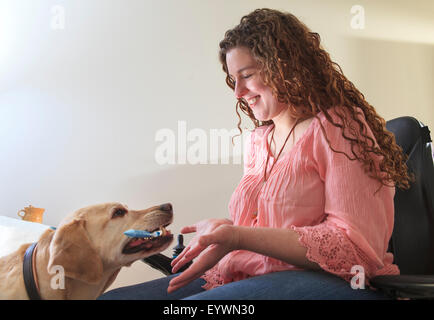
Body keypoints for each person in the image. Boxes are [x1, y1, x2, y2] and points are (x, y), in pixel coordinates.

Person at [99, 8, 413, 300]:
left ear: (286, 66)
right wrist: (225, 232)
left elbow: (355, 248)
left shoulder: (338, 126)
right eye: (233, 80)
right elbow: (264, 230)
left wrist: (238, 236)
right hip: (252, 272)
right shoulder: (260, 140)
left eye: (247, 75)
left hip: (338, 283)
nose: (237, 93)